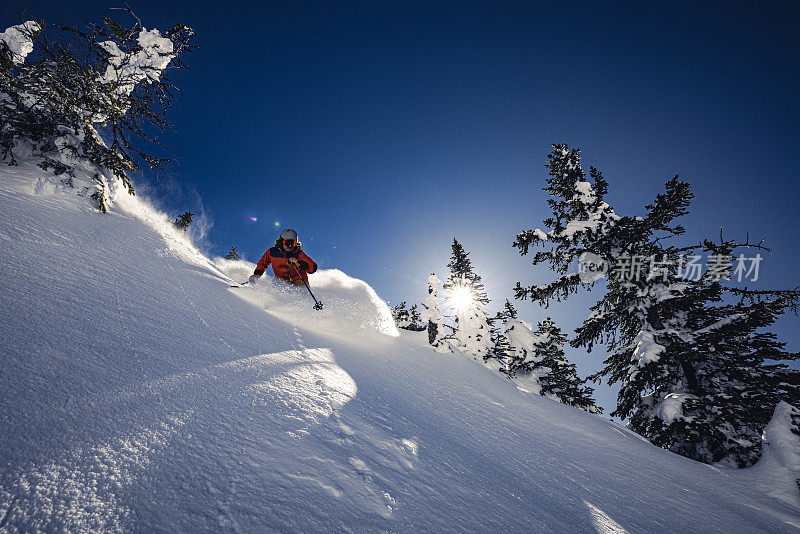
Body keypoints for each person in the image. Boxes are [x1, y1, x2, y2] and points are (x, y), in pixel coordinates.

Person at [249, 228, 318, 285]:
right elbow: (263, 263)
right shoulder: (272, 252)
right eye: (288, 243)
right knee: (275, 285)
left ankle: (304, 298)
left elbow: (313, 267)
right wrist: (257, 274)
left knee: (299, 288)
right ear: (282, 241)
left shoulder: (298, 254)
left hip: (299, 280)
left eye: (293, 243)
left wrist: (299, 263)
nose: (290, 246)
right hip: (281, 281)